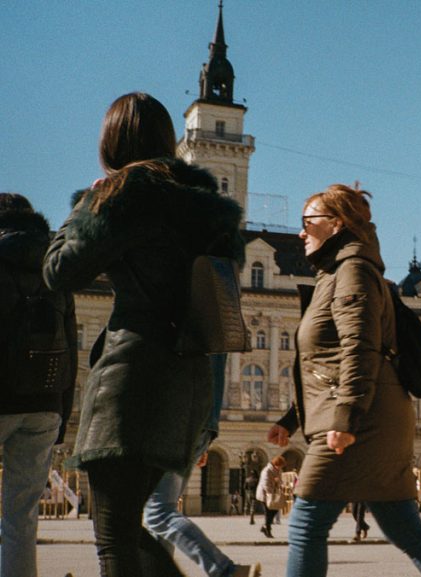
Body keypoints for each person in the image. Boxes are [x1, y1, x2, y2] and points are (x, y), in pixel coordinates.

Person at [43, 92, 245, 576]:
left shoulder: (128, 194)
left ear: (112, 142)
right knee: (132, 528)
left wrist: (86, 205)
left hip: (132, 381)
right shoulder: (212, 209)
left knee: (113, 537)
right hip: (190, 382)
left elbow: (58, 272)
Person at [266, 183, 421, 577]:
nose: (301, 232)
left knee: (306, 524)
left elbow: (360, 348)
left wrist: (346, 419)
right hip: (368, 414)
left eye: (309, 222)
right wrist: (291, 420)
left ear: (336, 223)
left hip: (360, 421)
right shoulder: (336, 271)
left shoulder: (352, 270)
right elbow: (327, 363)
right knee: (404, 527)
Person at [0, 192, 76, 577]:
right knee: (22, 517)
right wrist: (61, 410)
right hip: (45, 402)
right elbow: (71, 343)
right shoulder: (53, 264)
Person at [143, 354, 261, 577]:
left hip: (175, 421)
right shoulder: (213, 322)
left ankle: (226, 571)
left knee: (158, 513)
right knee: (160, 519)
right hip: (201, 423)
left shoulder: (183, 320)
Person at [256, 456, 286, 538]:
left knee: (275, 509)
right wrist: (271, 494)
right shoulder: (267, 470)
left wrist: (281, 485)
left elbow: (280, 480)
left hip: (273, 494)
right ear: (276, 464)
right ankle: (268, 530)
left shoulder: (278, 470)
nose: (280, 467)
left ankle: (265, 527)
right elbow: (265, 484)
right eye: (280, 465)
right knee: (268, 512)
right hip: (265, 495)